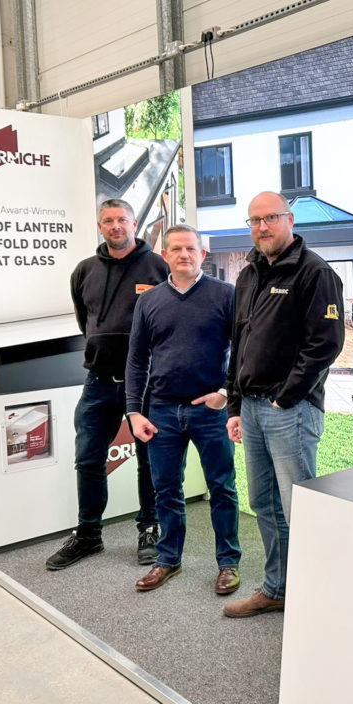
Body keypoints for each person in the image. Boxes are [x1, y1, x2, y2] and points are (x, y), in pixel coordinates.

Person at [222, 191, 344, 618]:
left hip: (288, 409)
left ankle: (316, 594)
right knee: (264, 503)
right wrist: (235, 405)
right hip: (253, 409)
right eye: (254, 221)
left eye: (270, 218)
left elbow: (325, 344)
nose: (261, 228)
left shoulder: (314, 273)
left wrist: (286, 396)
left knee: (299, 506)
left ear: (289, 220)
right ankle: (277, 588)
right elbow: (240, 345)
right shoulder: (249, 275)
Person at [46, 199, 167, 570]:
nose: (116, 226)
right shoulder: (84, 271)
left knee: (149, 461)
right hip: (99, 382)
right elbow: (88, 323)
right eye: (108, 221)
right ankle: (88, 534)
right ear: (100, 226)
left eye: (122, 220)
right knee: (88, 458)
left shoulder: (156, 265)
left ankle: (149, 528)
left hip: (145, 383)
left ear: (134, 224)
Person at [126, 224, 242, 595]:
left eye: (191, 249)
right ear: (165, 256)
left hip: (210, 411)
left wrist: (226, 392)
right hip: (161, 411)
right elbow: (136, 361)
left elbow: (243, 350)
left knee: (222, 488)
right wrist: (133, 411)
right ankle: (168, 560)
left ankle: (228, 563)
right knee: (166, 490)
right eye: (176, 249)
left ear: (202, 254)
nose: (184, 255)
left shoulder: (226, 295)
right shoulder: (149, 301)